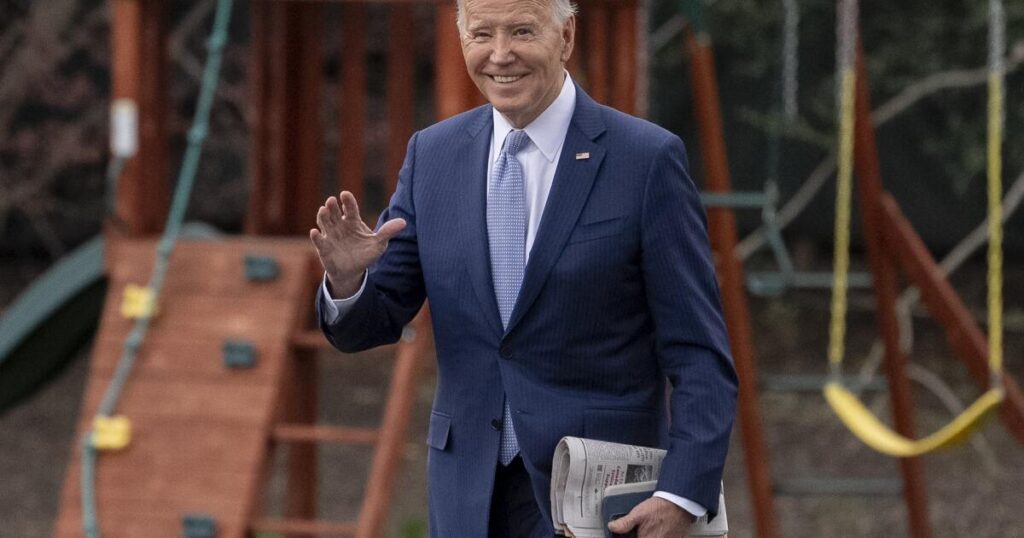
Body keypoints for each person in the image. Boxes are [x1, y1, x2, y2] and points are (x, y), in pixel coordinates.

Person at [310, 0, 737, 535]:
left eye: (521, 31)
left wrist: (682, 493)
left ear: (566, 36)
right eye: (481, 34)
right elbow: (373, 321)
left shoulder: (645, 160)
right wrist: (348, 282)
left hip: (602, 500)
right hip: (467, 492)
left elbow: (700, 354)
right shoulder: (432, 156)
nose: (500, 55)